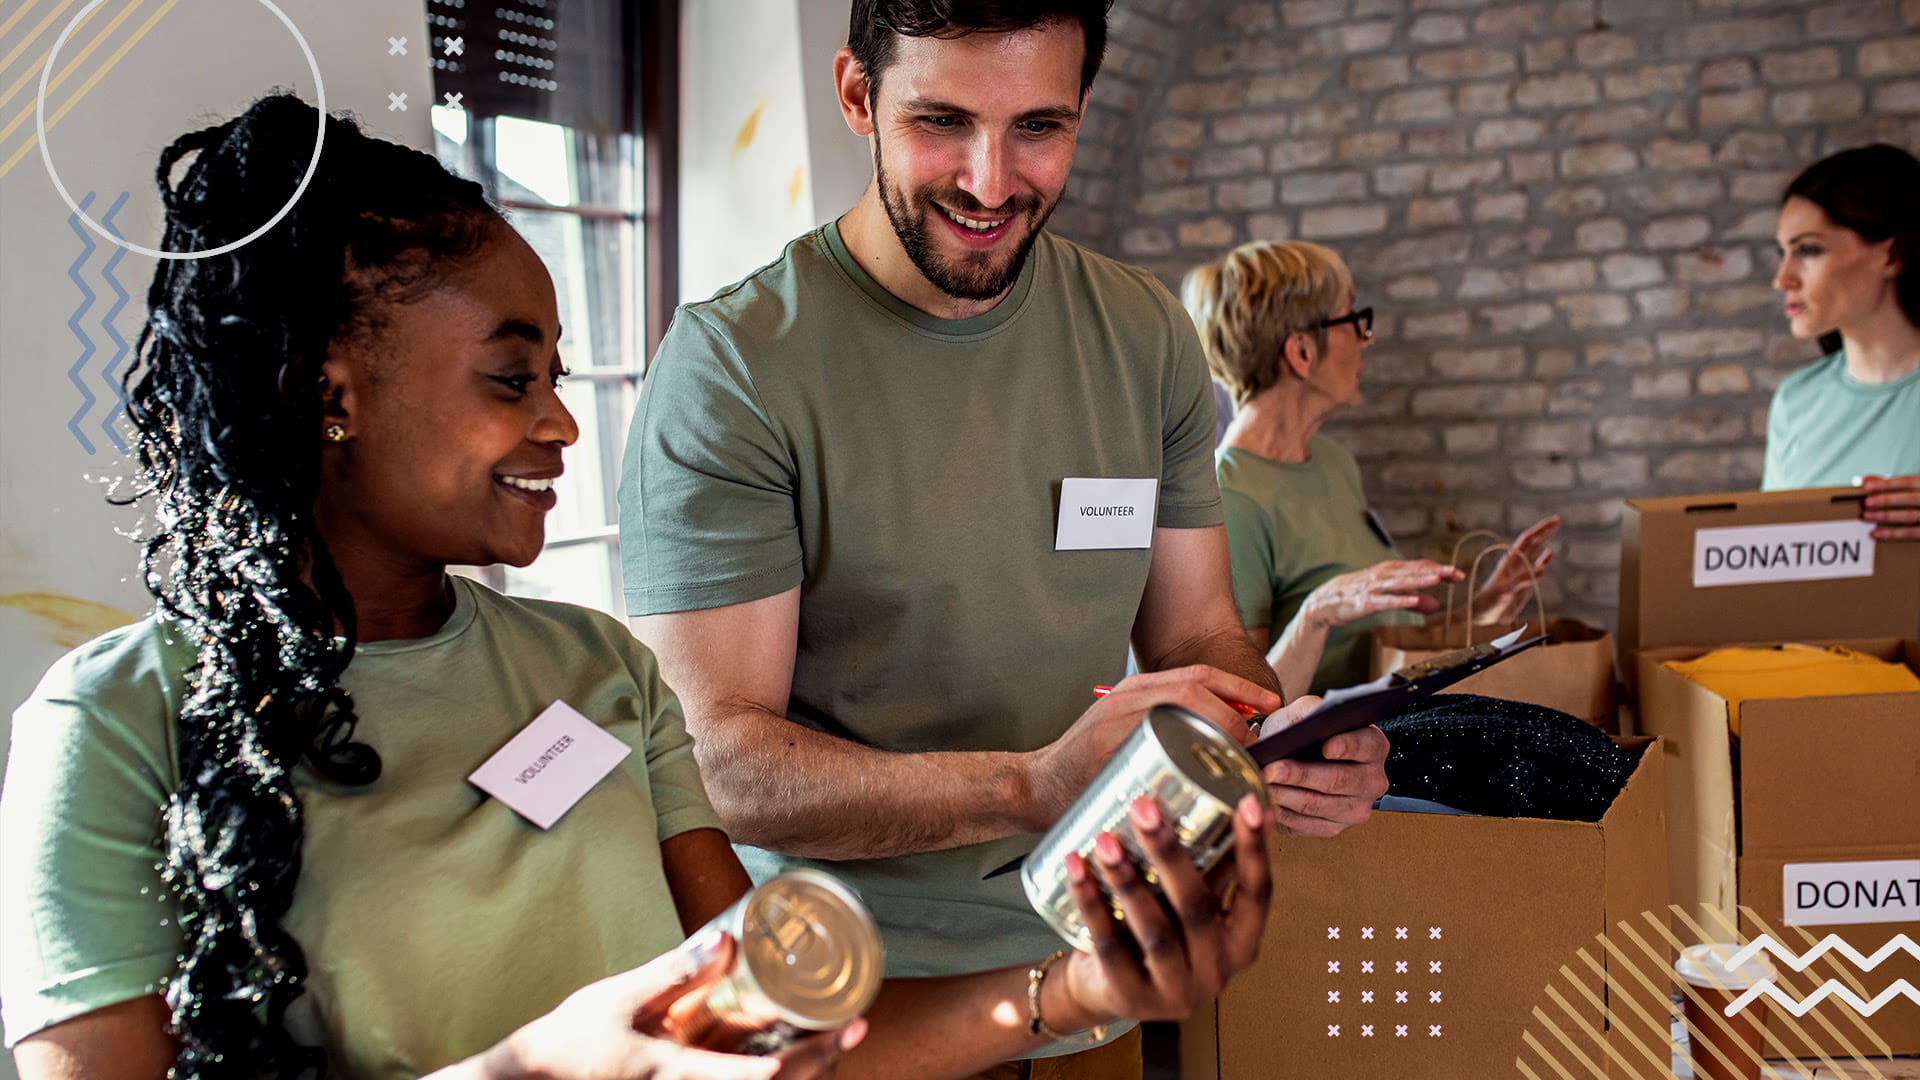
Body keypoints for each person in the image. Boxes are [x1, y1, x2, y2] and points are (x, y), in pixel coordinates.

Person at [1, 96, 1275, 1080]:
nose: (561, 426)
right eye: (511, 379)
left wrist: (1082, 994)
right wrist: (543, 1065)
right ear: (332, 390)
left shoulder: (596, 671)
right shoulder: (115, 726)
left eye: (559, 374)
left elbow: (778, 1032)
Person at [618, 4, 1391, 1074]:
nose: (990, 182)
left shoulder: (1140, 333)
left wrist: (1280, 737)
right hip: (837, 1001)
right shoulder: (737, 366)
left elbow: (1201, 632)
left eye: (1038, 127)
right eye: (942, 122)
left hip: (1095, 971)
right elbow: (718, 764)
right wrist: (1028, 785)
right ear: (856, 96)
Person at [1182, 241, 1560, 700]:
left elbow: (1377, 648)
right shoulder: (1232, 498)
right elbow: (1240, 709)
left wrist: (1482, 611)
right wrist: (1315, 613)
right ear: (1301, 351)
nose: (1367, 338)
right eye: (1352, 321)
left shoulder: (1333, 463)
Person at [1767, 143, 1920, 541]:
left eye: (1809, 250)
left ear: (1892, 255)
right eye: (1783, 253)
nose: (1783, 279)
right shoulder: (1795, 402)